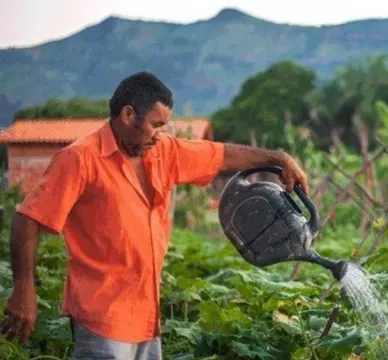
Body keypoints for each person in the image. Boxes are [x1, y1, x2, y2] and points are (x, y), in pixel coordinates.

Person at [0, 71, 309, 359]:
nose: (160, 135)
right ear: (128, 115)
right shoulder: (79, 159)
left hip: (147, 316)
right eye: (156, 125)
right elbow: (28, 218)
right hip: (101, 318)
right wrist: (24, 289)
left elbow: (223, 155)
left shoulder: (163, 152)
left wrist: (278, 158)